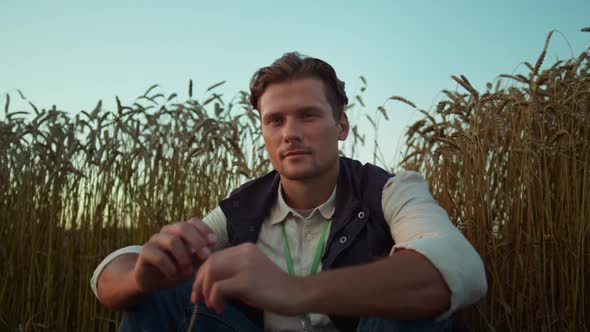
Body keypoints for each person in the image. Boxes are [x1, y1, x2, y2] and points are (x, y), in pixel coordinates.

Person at [90, 52, 487, 332]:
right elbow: (111, 276)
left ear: (342, 125)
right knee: (159, 297)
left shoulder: (390, 190)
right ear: (263, 131)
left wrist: (296, 292)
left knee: (412, 304)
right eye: (275, 120)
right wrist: (143, 276)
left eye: (308, 115)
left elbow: (460, 269)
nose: (290, 133)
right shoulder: (242, 208)